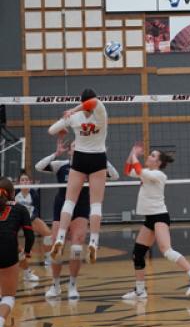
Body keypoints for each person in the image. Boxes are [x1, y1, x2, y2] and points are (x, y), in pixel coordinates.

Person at [35, 138, 119, 299]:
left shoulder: (93, 168)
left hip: (81, 207)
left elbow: (114, 176)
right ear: (71, 150)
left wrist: (101, 157)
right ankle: (56, 285)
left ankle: (72, 285)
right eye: (75, 146)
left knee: (77, 246)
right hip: (62, 206)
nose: (78, 148)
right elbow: (39, 166)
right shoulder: (61, 165)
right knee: (55, 247)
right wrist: (55, 153)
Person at [122, 143, 190, 300]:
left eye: (152, 156)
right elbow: (127, 171)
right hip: (149, 219)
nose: (148, 157)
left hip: (160, 216)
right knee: (137, 254)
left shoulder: (160, 175)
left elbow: (138, 170)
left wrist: (134, 156)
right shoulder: (146, 172)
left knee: (166, 250)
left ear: (158, 163)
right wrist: (131, 154)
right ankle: (140, 291)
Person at [48, 88, 108, 264]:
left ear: (81, 101)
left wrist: (65, 125)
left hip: (80, 158)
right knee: (96, 203)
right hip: (97, 158)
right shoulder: (100, 112)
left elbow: (51, 130)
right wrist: (76, 110)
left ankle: (59, 238)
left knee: (69, 201)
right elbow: (92, 104)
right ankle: (94, 242)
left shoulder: (73, 118)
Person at [0, 177, 34, 327]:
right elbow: (29, 235)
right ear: (13, 193)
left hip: (7, 247)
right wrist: (26, 252)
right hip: (7, 249)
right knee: (8, 295)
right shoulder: (20, 208)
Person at [15, 170, 51, 279]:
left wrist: (31, 218)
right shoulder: (15, 193)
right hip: (16, 220)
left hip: (30, 218)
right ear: (19, 182)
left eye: (26, 180)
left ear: (30, 181)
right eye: (22, 180)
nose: (25, 182)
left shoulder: (34, 193)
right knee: (12, 243)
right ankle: (25, 271)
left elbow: (36, 209)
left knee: (48, 234)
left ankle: (48, 258)